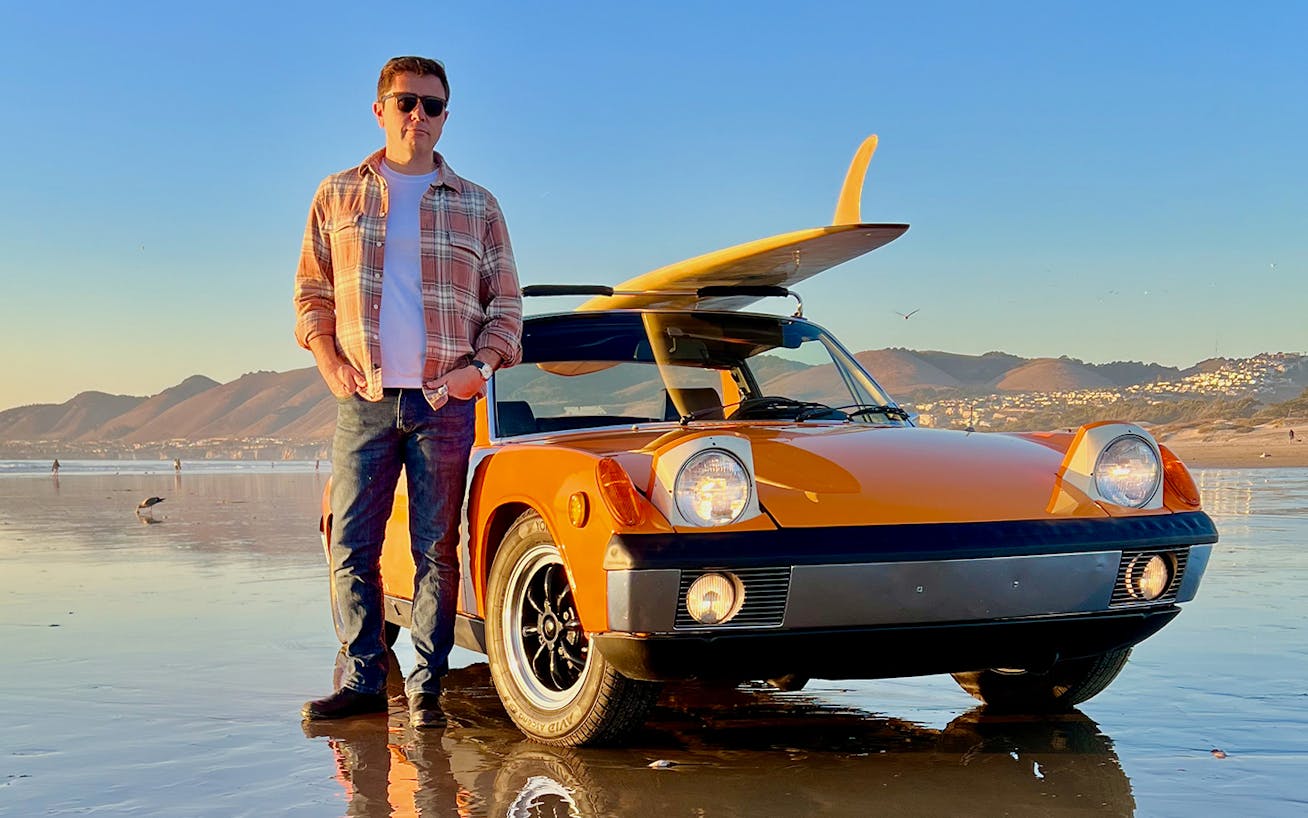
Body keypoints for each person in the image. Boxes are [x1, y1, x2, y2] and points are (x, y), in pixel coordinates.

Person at [294, 56, 523, 729]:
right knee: (352, 545)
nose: (417, 116)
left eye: (432, 105)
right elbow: (311, 294)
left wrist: (474, 372)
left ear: (446, 116)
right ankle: (365, 680)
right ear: (379, 109)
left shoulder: (479, 204)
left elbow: (506, 309)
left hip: (443, 404)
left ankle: (427, 687)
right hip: (362, 399)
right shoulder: (337, 194)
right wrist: (328, 360)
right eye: (405, 102)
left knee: (434, 549)